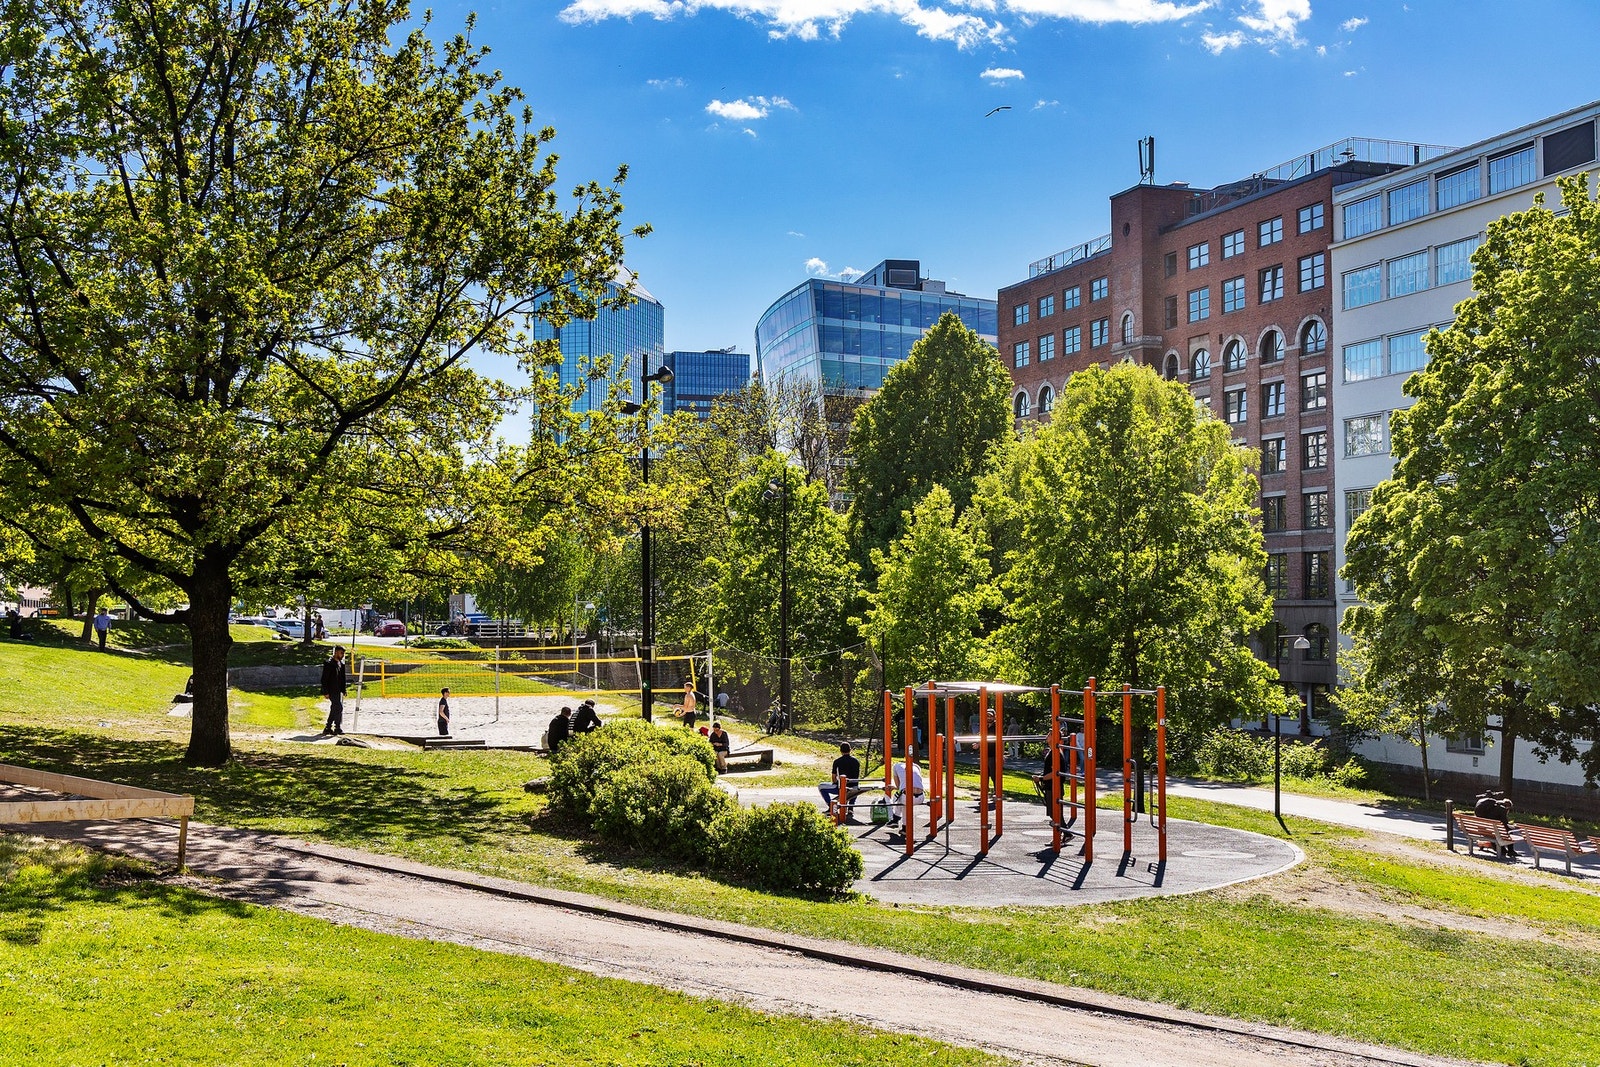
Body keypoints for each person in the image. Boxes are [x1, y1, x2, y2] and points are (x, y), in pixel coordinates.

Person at [818, 742, 862, 816]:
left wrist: (835, 783)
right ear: (850, 750)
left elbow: (834, 776)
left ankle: (831, 806)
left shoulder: (837, 761)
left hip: (842, 787)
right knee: (854, 786)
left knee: (821, 786)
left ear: (840, 751)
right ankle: (851, 807)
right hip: (854, 786)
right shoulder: (856, 761)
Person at [888, 758, 926, 831]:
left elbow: (899, 787)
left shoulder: (896, 766)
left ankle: (895, 818)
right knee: (905, 804)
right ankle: (904, 828)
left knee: (898, 797)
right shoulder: (916, 767)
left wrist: (895, 787)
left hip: (907, 797)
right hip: (921, 796)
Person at [319, 646, 348, 736]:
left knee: (334, 708)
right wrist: (325, 692)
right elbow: (324, 679)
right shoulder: (329, 663)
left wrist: (343, 689)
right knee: (338, 707)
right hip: (331, 690)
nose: (342, 655)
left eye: (343, 653)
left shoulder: (341, 664)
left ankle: (328, 727)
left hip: (338, 690)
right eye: (341, 653)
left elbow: (342, 678)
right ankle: (337, 727)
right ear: (336, 653)